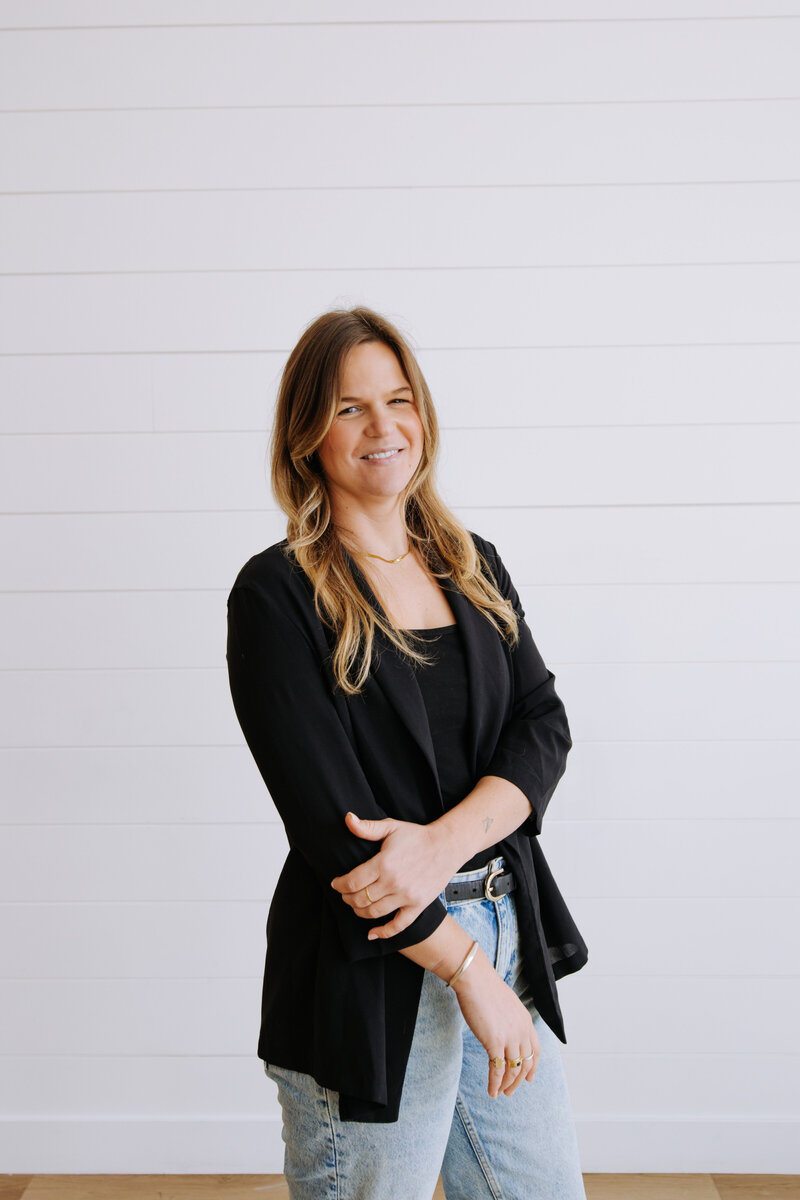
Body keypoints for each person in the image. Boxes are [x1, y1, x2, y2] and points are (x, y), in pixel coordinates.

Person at [226, 305, 588, 1200]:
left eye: (398, 399)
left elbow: (543, 726)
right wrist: (466, 972)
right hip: (370, 965)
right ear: (307, 434)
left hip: (503, 925)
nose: (382, 427)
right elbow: (337, 833)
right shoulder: (277, 594)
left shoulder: (473, 563)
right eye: (349, 408)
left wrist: (442, 845)